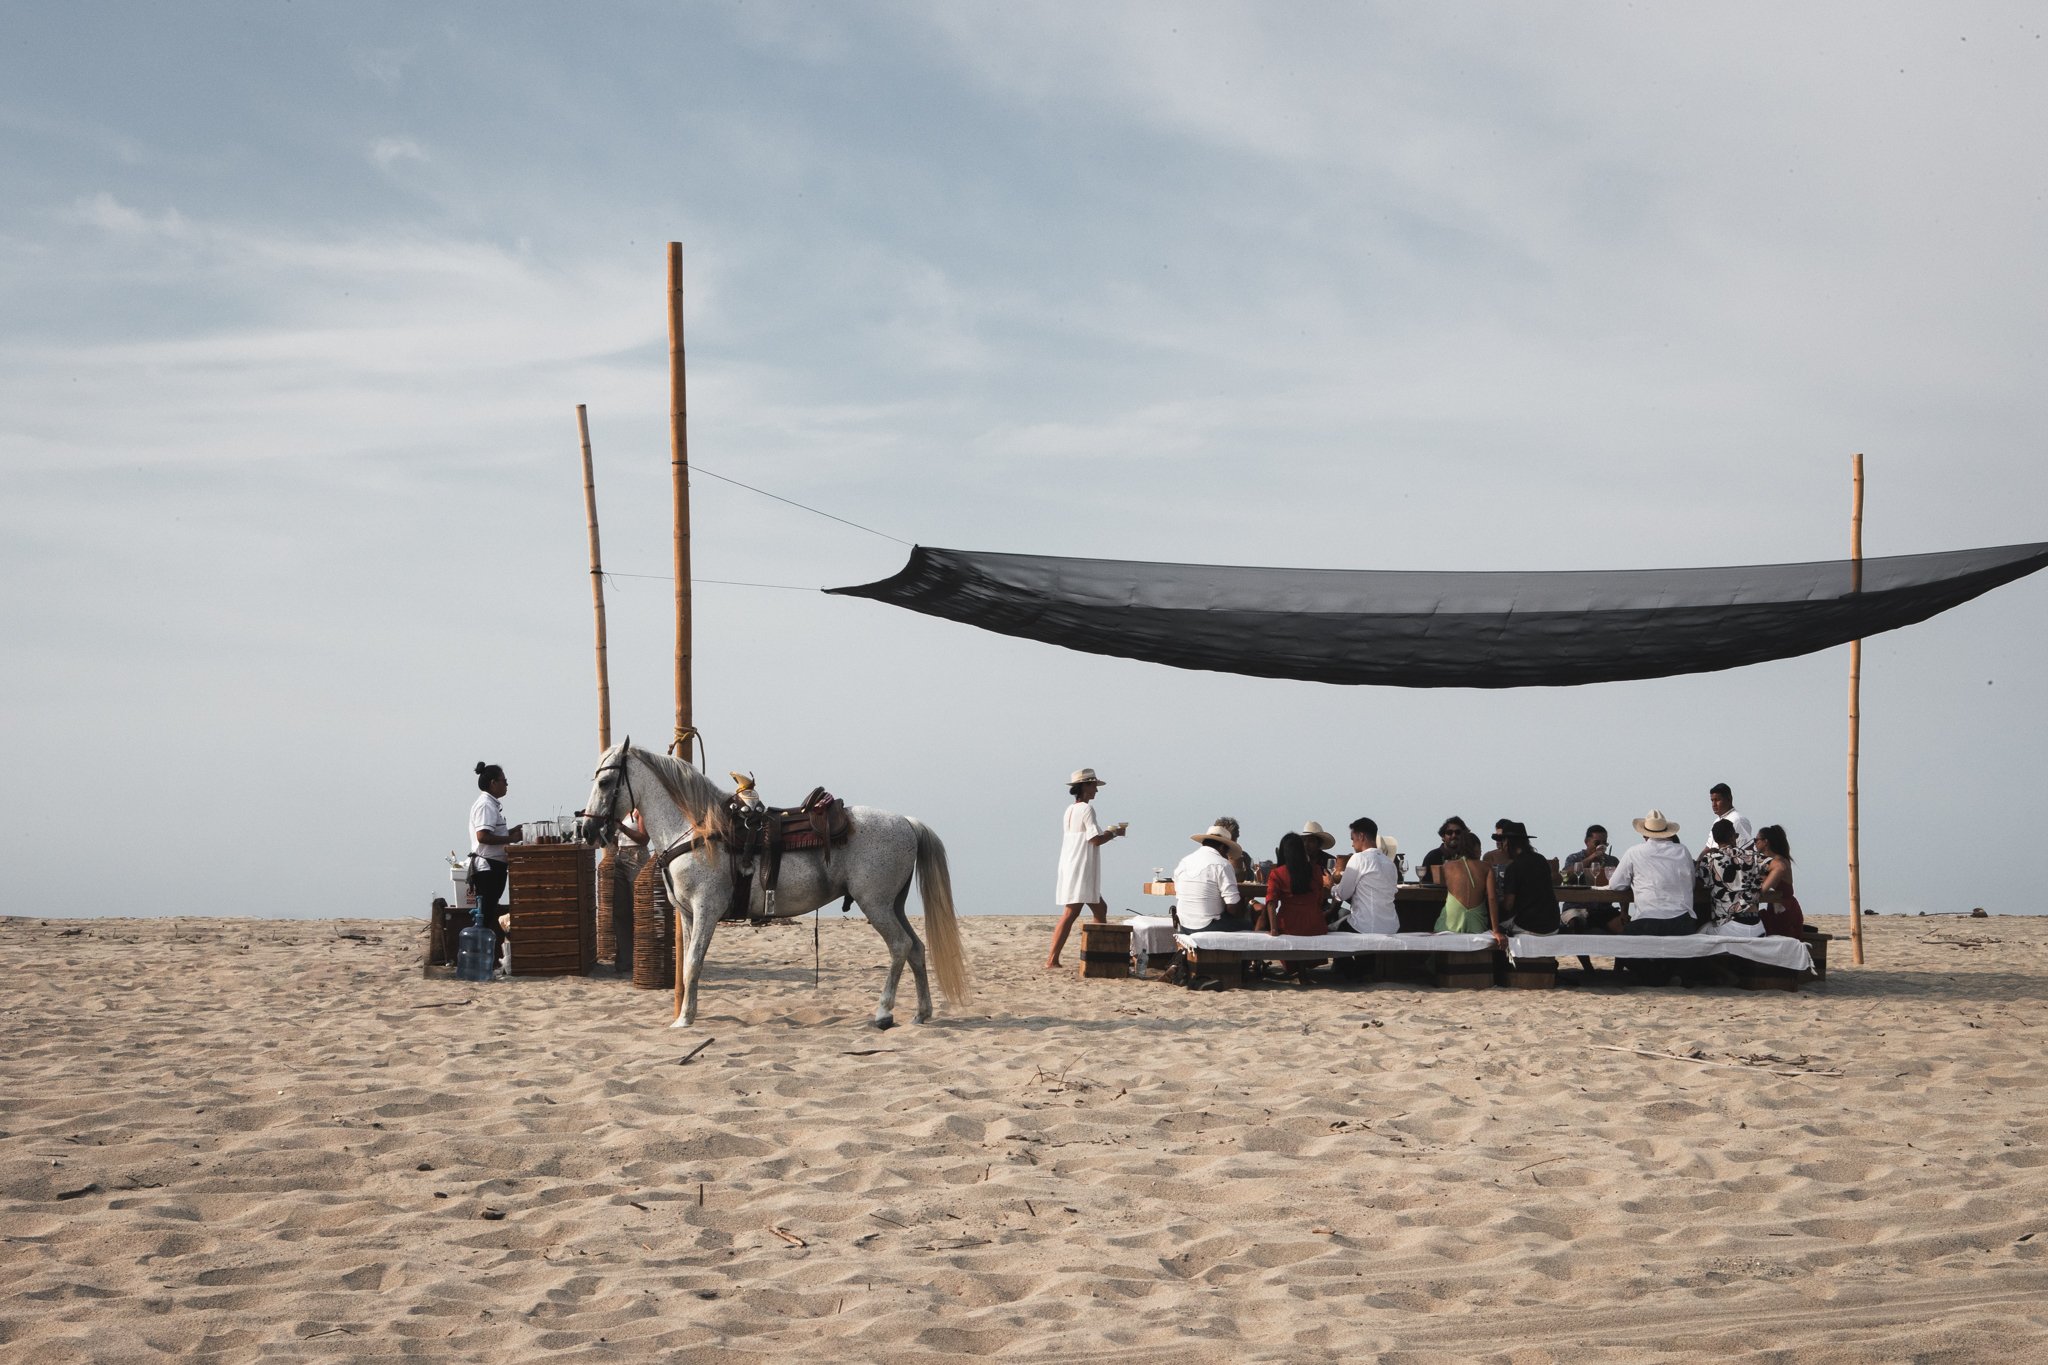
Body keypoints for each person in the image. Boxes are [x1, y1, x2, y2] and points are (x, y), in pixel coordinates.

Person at [1047, 768, 1128, 969]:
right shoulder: (1086, 809)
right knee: (1071, 913)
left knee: (1100, 908)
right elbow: (1095, 840)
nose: (1096, 791)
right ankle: (1053, 959)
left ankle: (1097, 954)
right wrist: (1114, 833)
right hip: (1080, 866)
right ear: (1084, 786)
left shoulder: (1070, 810)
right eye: (1093, 786)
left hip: (1071, 863)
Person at [1605, 808, 1698, 934]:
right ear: (1667, 832)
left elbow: (1615, 885)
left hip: (1647, 921)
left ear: (1644, 834)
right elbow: (1691, 883)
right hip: (1682, 922)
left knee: (1619, 937)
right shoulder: (1683, 850)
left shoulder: (1634, 852)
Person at [468, 762, 524, 938]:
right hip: (488, 868)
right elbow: (483, 837)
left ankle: (482, 945)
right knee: (484, 914)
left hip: (495, 865)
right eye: (504, 781)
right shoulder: (486, 805)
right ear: (493, 783)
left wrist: (511, 831)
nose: (506, 785)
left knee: (488, 911)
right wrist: (511, 839)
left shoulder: (491, 804)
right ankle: (478, 946)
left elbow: (493, 834)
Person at [1174, 824, 1253, 933]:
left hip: (1184, 925)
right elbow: (1233, 908)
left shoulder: (1184, 862)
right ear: (1222, 848)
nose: (1227, 856)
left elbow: (1178, 892)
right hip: (1209, 925)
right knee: (1250, 924)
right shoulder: (1222, 864)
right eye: (1227, 852)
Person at [1493, 821, 1562, 940]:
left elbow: (1508, 905)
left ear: (1508, 842)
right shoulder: (1541, 860)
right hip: (1553, 924)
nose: (1502, 846)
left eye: (1503, 841)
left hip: (1529, 926)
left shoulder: (1513, 867)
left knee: (1494, 925)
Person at [1332, 817, 1399, 934]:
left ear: (1361, 836)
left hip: (1365, 927)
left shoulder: (1358, 858)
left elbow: (1342, 894)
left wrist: (1330, 886)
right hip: (1391, 927)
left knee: (1329, 927)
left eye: (1353, 839)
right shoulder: (1390, 864)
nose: (1352, 844)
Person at [1695, 819, 1762, 931]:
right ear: (1732, 837)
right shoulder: (1751, 856)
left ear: (1715, 840)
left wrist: (1703, 854)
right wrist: (1762, 888)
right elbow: (1779, 866)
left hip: (1730, 926)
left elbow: (1696, 882)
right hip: (1756, 925)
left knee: (1699, 932)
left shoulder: (1710, 860)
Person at [1265, 832, 1330, 937]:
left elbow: (1271, 902)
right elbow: (1319, 899)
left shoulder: (1277, 873)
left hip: (1287, 927)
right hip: (1315, 926)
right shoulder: (1317, 870)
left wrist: (1273, 929)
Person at [1432, 830, 1491, 934]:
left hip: (1451, 922)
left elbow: (1438, 881)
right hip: (1476, 922)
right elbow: (1492, 898)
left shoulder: (1447, 866)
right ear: (1476, 849)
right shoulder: (1486, 867)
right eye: (1480, 850)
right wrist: (1496, 930)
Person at [1753, 825, 1805, 937]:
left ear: (1766, 842)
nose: (1755, 843)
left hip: (1783, 911)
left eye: (1756, 840)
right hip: (1779, 908)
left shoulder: (1778, 862)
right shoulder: (1778, 860)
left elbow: (1764, 883)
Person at [1419, 816, 1472, 885]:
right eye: (1449, 832)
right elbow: (1424, 884)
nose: (1454, 835)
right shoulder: (1432, 857)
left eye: (1458, 832)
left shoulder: (1468, 856)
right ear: (1443, 837)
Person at [1708, 783, 1755, 849]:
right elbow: (1708, 848)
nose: (1714, 804)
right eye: (1712, 800)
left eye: (1717, 800)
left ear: (1729, 799)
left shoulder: (1738, 820)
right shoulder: (1716, 822)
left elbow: (1747, 847)